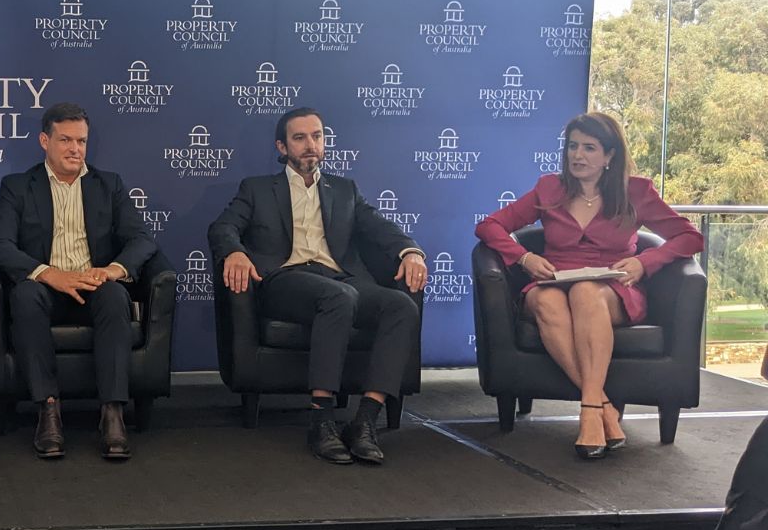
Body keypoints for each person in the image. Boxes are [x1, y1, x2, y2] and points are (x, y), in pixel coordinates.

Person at [475, 111, 704, 459]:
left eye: (589, 148)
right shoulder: (550, 188)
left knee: (585, 292)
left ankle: (590, 411)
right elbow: (489, 226)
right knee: (546, 301)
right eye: (573, 147)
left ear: (610, 155)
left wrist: (645, 262)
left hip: (611, 288)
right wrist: (525, 258)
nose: (577, 155)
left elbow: (689, 237)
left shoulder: (636, 192)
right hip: (553, 282)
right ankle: (600, 406)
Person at [208, 107, 425, 465]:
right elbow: (223, 226)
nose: (311, 144)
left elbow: (380, 227)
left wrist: (410, 252)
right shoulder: (257, 189)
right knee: (338, 297)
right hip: (286, 280)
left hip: (340, 277)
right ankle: (321, 421)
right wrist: (234, 252)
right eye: (300, 138)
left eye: (317, 136)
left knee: (401, 306)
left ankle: (365, 420)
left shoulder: (344, 189)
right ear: (282, 147)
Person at [0, 102, 157, 461]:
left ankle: (112, 413)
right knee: (26, 296)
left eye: (81, 141)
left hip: (93, 284)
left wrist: (111, 270)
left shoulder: (109, 185)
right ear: (44, 141)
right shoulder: (18, 186)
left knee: (115, 296)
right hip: (45, 287)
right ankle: (48, 410)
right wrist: (49, 273)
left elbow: (141, 239)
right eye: (65, 140)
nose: (75, 149)